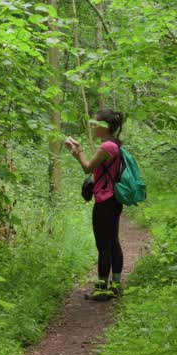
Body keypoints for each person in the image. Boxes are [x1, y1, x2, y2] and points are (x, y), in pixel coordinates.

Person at [65, 109, 125, 301]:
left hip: (104, 201)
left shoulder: (106, 147)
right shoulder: (115, 144)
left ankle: (101, 288)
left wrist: (77, 152)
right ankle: (115, 285)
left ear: (105, 127)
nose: (93, 127)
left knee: (104, 246)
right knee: (113, 242)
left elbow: (87, 168)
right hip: (114, 200)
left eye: (96, 124)